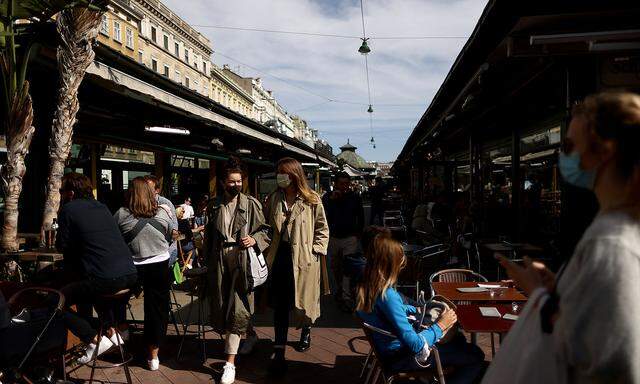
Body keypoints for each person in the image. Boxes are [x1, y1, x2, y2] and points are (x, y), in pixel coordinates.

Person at [483, 91, 640, 383]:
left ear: (603, 151)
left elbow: (615, 364)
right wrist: (562, 288)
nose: (563, 155)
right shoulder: (614, 230)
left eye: (569, 145)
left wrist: (541, 296)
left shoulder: (611, 244)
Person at [356, 233, 485, 384]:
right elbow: (415, 344)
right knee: (475, 355)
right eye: (401, 262)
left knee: (459, 341)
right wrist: (441, 325)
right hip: (402, 357)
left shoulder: (368, 288)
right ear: (391, 265)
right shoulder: (388, 295)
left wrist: (415, 309)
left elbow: (393, 311)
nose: (403, 266)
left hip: (388, 352)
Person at [55, 173, 138, 363]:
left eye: (62, 191)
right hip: (130, 274)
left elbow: (63, 246)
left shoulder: (69, 209)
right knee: (91, 291)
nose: (60, 194)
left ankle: (94, 340)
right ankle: (111, 332)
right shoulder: (101, 206)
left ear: (71, 193)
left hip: (106, 279)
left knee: (56, 301)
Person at [203, 157, 270, 384]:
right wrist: (206, 265)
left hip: (242, 261)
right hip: (220, 260)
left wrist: (255, 239)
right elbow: (209, 238)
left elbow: (265, 231)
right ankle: (249, 335)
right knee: (223, 305)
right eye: (232, 182)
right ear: (223, 182)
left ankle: (229, 363)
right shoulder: (214, 206)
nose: (236, 185)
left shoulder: (251, 204)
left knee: (238, 308)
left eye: (239, 181)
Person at [264, 157, 330, 375]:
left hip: (304, 258)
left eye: (283, 173)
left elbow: (322, 229)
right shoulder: (274, 198)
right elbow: (267, 226)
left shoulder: (312, 199)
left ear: (294, 175)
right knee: (280, 303)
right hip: (279, 256)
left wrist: (316, 252)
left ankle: (306, 331)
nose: (279, 177)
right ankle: (279, 347)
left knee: (304, 300)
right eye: (278, 173)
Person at [114, 177, 173, 371]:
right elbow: (170, 234)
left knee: (116, 299)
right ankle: (153, 356)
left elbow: (115, 239)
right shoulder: (164, 213)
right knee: (156, 311)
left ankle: (121, 331)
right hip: (160, 264)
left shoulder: (121, 214)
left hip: (132, 267)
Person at [322, 171, 364, 309]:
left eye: (347, 183)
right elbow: (322, 215)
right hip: (333, 237)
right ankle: (341, 288)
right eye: (341, 183)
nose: (344, 186)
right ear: (335, 184)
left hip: (350, 237)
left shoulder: (354, 197)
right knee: (335, 266)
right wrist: (332, 201)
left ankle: (346, 296)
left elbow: (361, 215)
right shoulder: (328, 197)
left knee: (347, 266)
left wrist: (359, 233)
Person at [144, 175, 179, 267]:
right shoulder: (141, 204)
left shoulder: (165, 203)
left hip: (165, 250)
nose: (145, 191)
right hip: (147, 252)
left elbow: (174, 232)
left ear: (157, 190)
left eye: (149, 188)